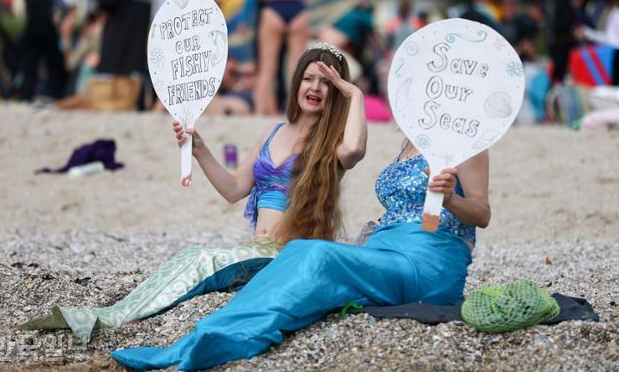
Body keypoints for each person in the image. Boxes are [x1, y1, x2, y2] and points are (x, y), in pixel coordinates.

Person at [20, 44, 367, 342]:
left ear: (337, 89)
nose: (316, 87)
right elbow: (234, 189)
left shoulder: (332, 143)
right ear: (296, 83)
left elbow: (354, 150)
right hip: (255, 250)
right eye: (309, 78)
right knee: (189, 257)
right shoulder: (273, 132)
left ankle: (108, 319)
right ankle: (109, 314)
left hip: (287, 257)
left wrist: (355, 94)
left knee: (203, 259)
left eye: (327, 82)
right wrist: (199, 149)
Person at [110, 141, 490, 370]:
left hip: (427, 262)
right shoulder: (410, 138)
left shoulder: (465, 144)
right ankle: (204, 336)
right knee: (299, 252)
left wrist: (451, 198)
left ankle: (228, 337)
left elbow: (482, 214)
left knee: (319, 257)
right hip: (386, 248)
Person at [252, 0, 310, 115]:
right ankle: (298, 112)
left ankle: (258, 111)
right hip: (297, 9)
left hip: (274, 8)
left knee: (267, 67)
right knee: (296, 66)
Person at [19, 0, 69, 101]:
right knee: (53, 65)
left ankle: (26, 95)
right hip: (48, 32)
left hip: (31, 31)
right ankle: (56, 94)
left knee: (30, 65)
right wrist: (58, 21)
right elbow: (65, 7)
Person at [549, 0, 585, 85]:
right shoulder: (561, 2)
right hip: (560, 48)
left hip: (564, 48)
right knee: (558, 79)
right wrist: (574, 34)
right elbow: (560, 26)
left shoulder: (567, 2)